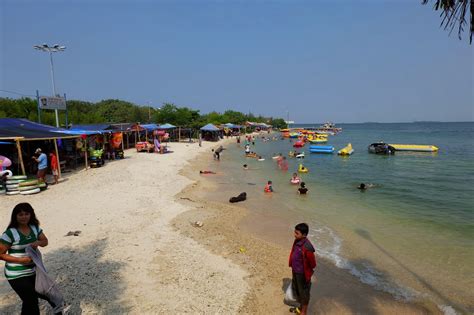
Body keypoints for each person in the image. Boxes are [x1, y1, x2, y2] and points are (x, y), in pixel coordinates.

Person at [0, 203, 64, 314]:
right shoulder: (10, 233)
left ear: (31, 215)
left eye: (26, 214)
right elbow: (0, 254)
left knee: (49, 294)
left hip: (34, 271)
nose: (24, 217)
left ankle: (60, 311)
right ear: (15, 216)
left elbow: (45, 241)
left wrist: (38, 242)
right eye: (20, 214)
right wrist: (21, 260)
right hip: (16, 274)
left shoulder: (34, 228)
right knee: (31, 302)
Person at [289, 223, 317, 315]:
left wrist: (307, 272)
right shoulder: (297, 241)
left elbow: (313, 264)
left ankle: (304, 312)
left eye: (297, 233)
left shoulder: (307, 247)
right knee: (297, 289)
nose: (294, 234)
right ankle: (300, 308)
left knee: (304, 293)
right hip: (296, 271)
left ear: (304, 235)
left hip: (303, 274)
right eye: (294, 232)